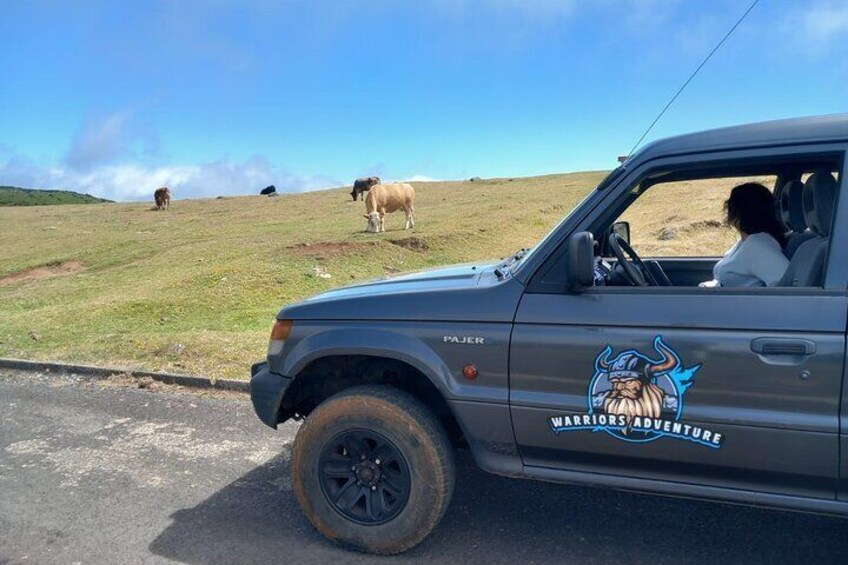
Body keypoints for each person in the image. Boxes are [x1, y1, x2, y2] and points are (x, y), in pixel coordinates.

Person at [700, 182, 789, 287]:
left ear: (740, 211)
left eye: (731, 204)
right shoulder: (748, 241)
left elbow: (784, 286)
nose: (727, 207)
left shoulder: (758, 245)